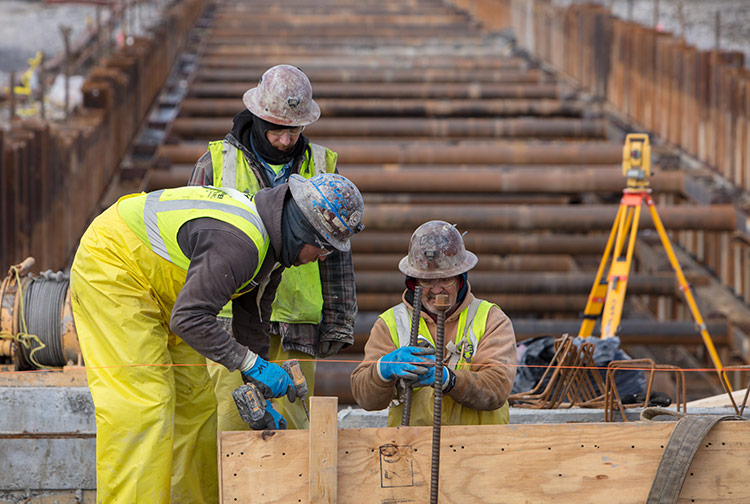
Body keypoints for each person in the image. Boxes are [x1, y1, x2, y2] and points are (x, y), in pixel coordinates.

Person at [70, 173, 364, 503]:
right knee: (145, 407)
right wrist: (252, 364)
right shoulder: (240, 243)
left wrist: (259, 388)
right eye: (324, 246)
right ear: (302, 229)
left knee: (196, 406)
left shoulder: (272, 249)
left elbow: (252, 319)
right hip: (114, 266)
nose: (324, 257)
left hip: (165, 288)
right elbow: (189, 319)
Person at [188, 64, 356, 430]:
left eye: (294, 130)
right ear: (258, 117)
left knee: (293, 427)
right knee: (232, 425)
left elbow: (338, 248)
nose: (285, 140)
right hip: (230, 320)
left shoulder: (323, 166)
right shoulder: (216, 163)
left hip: (297, 322)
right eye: (277, 130)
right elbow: (193, 243)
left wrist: (339, 319)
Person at [350, 220, 517, 426]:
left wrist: (449, 380)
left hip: (480, 449)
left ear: (461, 279)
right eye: (426, 281)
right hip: (413, 450)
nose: (436, 290)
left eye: (445, 280)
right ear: (413, 283)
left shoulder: (490, 319)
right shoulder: (392, 323)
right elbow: (365, 397)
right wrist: (383, 369)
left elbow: (496, 388)